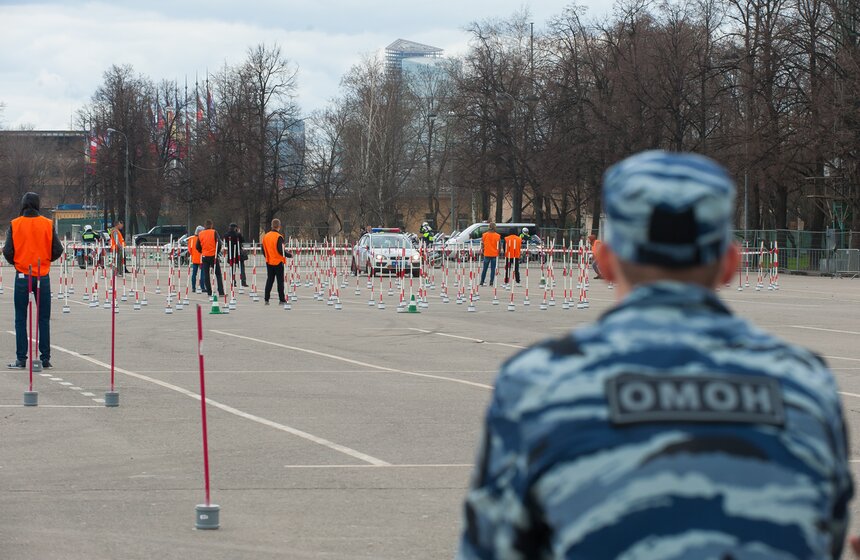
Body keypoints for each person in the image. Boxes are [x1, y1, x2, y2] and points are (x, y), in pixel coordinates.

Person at [458, 151, 854, 559]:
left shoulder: (537, 386)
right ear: (731, 264)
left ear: (606, 262)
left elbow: (492, 548)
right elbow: (825, 538)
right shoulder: (805, 387)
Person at [3, 192, 63, 369]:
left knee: (20, 318)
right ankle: (45, 358)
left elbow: (7, 250)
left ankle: (21, 359)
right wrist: (46, 260)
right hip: (42, 275)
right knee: (43, 318)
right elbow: (58, 249)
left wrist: (17, 262)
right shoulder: (47, 224)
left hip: (22, 275)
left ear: (23, 204)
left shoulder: (15, 224)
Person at [261, 218, 292, 305]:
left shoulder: (266, 236)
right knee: (280, 281)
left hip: (269, 261)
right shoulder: (279, 237)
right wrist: (289, 255)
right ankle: (281, 300)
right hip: (278, 262)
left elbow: (263, 249)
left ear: (272, 225)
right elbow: (280, 250)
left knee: (269, 280)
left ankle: (266, 299)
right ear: (279, 226)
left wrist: (267, 256)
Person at [196, 220, 225, 297]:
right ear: (211, 225)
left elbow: (197, 246)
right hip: (213, 255)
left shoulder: (200, 234)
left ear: (204, 226)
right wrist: (217, 252)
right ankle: (221, 292)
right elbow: (219, 243)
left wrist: (202, 251)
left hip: (205, 256)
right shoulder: (214, 232)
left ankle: (209, 291)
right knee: (218, 274)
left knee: (206, 274)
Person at [223, 222, 247, 287]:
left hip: (231, 253)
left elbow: (225, 239)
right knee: (242, 268)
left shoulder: (226, 235)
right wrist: (239, 233)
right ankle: (243, 282)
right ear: (235, 228)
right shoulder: (238, 235)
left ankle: (233, 282)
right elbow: (243, 240)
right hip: (238, 253)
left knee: (232, 269)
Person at [478, 222, 501, 287]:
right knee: (493, 269)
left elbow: (482, 244)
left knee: (484, 269)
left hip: (487, 253)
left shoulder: (484, 235)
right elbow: (499, 246)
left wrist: (483, 250)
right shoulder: (497, 236)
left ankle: (482, 281)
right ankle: (491, 282)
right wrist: (498, 252)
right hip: (494, 254)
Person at [188, 225, 205, 293]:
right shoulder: (202, 239)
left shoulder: (191, 239)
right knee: (202, 274)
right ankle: (202, 287)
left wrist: (192, 254)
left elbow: (190, 249)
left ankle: (193, 287)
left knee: (194, 274)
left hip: (194, 258)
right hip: (201, 259)